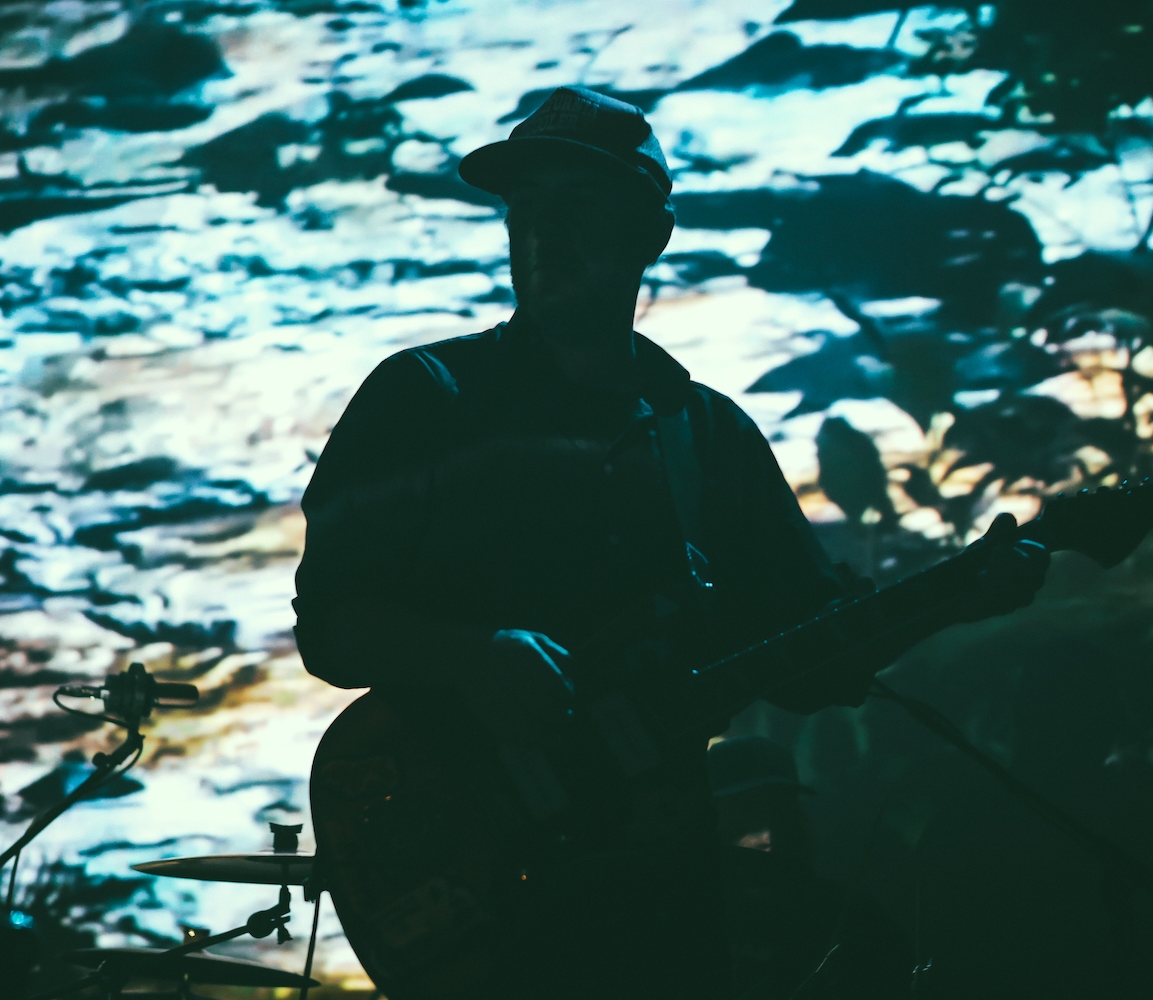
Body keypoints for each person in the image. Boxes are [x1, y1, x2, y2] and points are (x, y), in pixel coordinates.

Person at [293, 86, 1048, 1000]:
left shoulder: (710, 438)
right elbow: (329, 625)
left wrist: (958, 597)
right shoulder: (426, 396)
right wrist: (471, 658)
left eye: (575, 208)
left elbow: (809, 659)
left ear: (651, 232)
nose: (540, 234)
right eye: (524, 210)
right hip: (479, 870)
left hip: (664, 888)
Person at [709, 735, 913, 999]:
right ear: (708, 814)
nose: (769, 831)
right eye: (748, 806)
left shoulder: (853, 917)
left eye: (782, 807)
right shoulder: (681, 911)